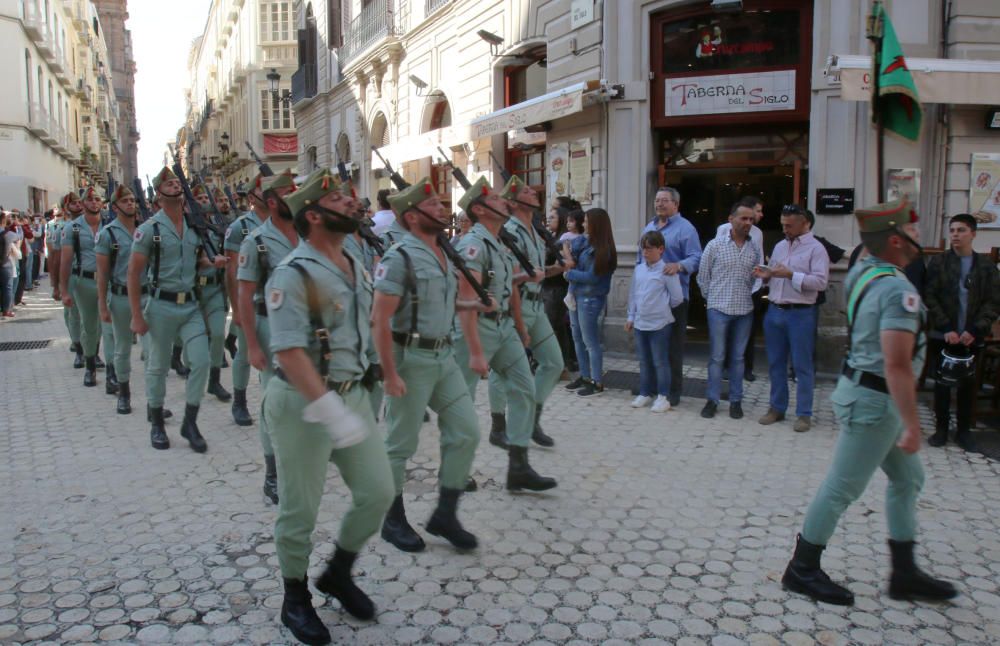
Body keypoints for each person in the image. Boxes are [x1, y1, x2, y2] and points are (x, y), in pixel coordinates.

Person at [781, 197, 957, 607]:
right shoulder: (897, 290)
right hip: (877, 402)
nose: (918, 236)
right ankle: (802, 568)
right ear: (895, 239)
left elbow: (860, 250)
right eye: (911, 230)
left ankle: (905, 572)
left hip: (868, 394)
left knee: (909, 479)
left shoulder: (866, 270)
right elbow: (897, 364)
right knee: (842, 487)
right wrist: (913, 424)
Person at [260, 169, 393, 645]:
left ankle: (338, 571)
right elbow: (290, 352)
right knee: (300, 511)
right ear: (314, 215)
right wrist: (329, 411)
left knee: (378, 492)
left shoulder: (354, 256)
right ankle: (294, 598)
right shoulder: (292, 273)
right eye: (340, 199)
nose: (354, 203)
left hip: (353, 393)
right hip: (302, 403)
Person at [373, 178, 484, 553]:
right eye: (434, 205)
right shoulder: (399, 256)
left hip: (444, 357)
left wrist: (473, 307)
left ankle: (445, 514)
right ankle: (391, 518)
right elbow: (379, 320)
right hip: (411, 359)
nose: (442, 208)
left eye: (441, 203)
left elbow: (440, 304)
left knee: (467, 431)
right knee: (399, 445)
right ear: (412, 216)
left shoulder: (442, 251)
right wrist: (389, 372)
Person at [453, 176, 557, 492]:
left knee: (524, 388)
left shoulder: (499, 241)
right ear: (481, 210)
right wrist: (473, 350)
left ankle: (519, 465)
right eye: (497, 199)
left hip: (504, 327)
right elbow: (466, 298)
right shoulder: (473, 244)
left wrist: (521, 328)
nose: (504, 202)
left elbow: (512, 284)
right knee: (461, 400)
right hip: (477, 329)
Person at [128, 167, 223, 452]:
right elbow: (134, 273)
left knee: (202, 361)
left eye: (175, 182)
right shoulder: (149, 230)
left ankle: (190, 422)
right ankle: (157, 421)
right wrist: (136, 315)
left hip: (190, 305)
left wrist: (213, 261)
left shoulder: (193, 226)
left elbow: (197, 259)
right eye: (167, 183)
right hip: (160, 306)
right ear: (158, 196)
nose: (173, 185)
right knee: (157, 366)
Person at [487, 175, 567, 448]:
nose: (533, 192)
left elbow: (537, 274)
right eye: (526, 191)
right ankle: (499, 427)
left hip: (537, 304)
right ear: (513, 201)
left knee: (554, 362)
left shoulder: (534, 230)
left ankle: (531, 417)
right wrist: (519, 322)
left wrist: (561, 268)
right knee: (502, 370)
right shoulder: (510, 233)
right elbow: (510, 277)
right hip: (515, 307)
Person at [238, 170, 299, 505]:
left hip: (306, 328)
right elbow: (245, 295)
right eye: (290, 194)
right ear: (273, 202)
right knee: (272, 403)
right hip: (270, 327)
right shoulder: (256, 241)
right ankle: (272, 472)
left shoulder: (309, 234)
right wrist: (251, 343)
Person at [924, 213, 1000, 451]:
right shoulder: (939, 262)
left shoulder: (986, 266)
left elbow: (993, 300)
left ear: (973, 234)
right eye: (953, 230)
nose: (956, 234)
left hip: (971, 334)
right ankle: (942, 428)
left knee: (968, 384)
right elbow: (929, 295)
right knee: (942, 383)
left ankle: (964, 430)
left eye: (962, 230)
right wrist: (946, 327)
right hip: (944, 333)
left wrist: (975, 329)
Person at [754, 204, 829, 432]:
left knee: (802, 365)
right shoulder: (778, 246)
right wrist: (766, 276)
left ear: (805, 223)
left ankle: (804, 414)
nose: (785, 228)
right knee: (775, 363)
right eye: (783, 224)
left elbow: (820, 282)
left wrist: (791, 275)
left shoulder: (817, 249)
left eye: (789, 225)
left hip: (801, 313)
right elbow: (775, 275)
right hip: (775, 310)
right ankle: (777, 407)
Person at [639, 187, 701, 406]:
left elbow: (696, 257)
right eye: (657, 200)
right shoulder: (650, 226)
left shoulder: (686, 229)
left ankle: (673, 391)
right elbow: (641, 259)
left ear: (676, 204)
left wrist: (679, 265)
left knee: (673, 346)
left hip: (675, 297)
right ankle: (652, 388)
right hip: (651, 299)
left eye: (665, 200)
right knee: (651, 347)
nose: (659, 204)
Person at [699, 202, 761, 419]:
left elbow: (757, 277)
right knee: (717, 357)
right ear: (731, 219)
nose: (748, 223)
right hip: (718, 309)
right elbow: (703, 277)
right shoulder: (714, 246)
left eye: (751, 220)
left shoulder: (754, 248)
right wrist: (712, 299)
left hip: (744, 310)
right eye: (744, 219)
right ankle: (712, 400)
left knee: (737, 358)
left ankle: (736, 401)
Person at [96, 185, 142, 412]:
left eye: (132, 200)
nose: (131, 204)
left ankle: (155, 400)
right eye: (125, 201)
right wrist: (102, 305)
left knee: (153, 350)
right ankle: (124, 392)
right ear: (115, 207)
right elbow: (102, 274)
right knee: (122, 347)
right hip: (121, 296)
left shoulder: (146, 230)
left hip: (147, 296)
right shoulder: (108, 234)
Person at [626, 230, 683, 413]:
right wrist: (631, 317)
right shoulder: (639, 269)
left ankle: (663, 396)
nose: (645, 253)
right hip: (641, 322)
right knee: (644, 360)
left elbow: (677, 298)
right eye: (643, 249)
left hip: (660, 324)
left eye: (649, 249)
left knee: (660, 361)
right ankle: (645, 392)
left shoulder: (667, 271)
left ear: (661, 249)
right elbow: (633, 294)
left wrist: (661, 308)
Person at [224, 174, 265, 426]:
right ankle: (239, 400)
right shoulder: (240, 227)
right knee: (244, 353)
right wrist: (237, 308)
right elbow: (231, 271)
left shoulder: (286, 222)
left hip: (276, 300)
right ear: (252, 197)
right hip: (249, 299)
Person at [564, 208, 618, 397]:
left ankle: (597, 382)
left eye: (587, 221)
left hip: (590, 298)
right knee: (578, 339)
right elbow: (570, 248)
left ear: (596, 224)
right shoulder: (586, 244)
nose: (583, 224)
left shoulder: (604, 250)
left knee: (590, 342)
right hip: (577, 296)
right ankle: (585, 376)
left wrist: (568, 273)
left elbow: (592, 277)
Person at [60, 186, 107, 388]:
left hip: (108, 281)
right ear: (83, 203)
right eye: (89, 200)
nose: (94, 202)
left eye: (97, 199)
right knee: (88, 324)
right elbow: (65, 260)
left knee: (102, 325)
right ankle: (89, 366)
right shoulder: (73, 228)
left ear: (102, 203)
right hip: (84, 281)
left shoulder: (111, 226)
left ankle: (95, 355)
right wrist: (62, 289)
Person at [189, 184, 232, 403]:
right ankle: (192, 375)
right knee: (195, 339)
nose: (205, 199)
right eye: (200, 196)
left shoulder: (218, 225)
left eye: (207, 196)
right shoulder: (187, 226)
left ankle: (214, 380)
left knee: (216, 333)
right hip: (193, 289)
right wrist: (207, 261)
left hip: (215, 288)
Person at [716, 196, 765, 381]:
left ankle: (747, 368)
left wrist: (757, 286)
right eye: (756, 211)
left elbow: (759, 259)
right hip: (726, 287)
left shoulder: (758, 233)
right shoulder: (722, 230)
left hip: (749, 288)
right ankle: (724, 367)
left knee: (747, 332)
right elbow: (714, 258)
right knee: (725, 330)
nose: (757, 216)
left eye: (754, 216)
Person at [542, 203, 577, 372]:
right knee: (556, 327)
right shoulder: (551, 236)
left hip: (556, 288)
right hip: (547, 287)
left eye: (553, 217)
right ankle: (561, 362)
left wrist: (544, 272)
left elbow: (563, 265)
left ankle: (560, 364)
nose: (549, 219)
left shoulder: (564, 240)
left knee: (553, 327)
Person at [50, 195, 84, 364]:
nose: (78, 205)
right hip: (71, 277)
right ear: (65, 209)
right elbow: (55, 260)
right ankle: (78, 346)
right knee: (73, 314)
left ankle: (89, 348)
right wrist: (56, 286)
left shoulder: (95, 226)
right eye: (73, 203)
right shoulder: (61, 230)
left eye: (79, 202)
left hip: (91, 278)